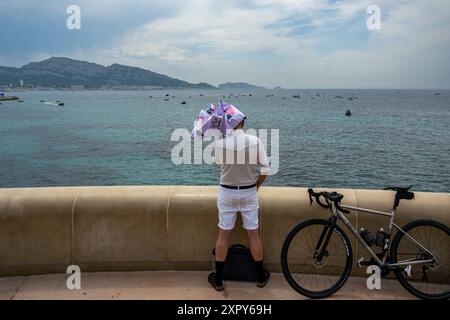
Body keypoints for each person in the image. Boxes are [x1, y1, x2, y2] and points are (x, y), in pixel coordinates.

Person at [208, 116, 270, 291]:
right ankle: (259, 277)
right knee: (253, 235)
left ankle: (218, 279)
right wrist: (255, 186)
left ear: (228, 124)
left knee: (223, 235)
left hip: (226, 192)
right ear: (243, 123)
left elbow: (219, 164)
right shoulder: (255, 140)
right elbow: (265, 170)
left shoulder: (220, 142)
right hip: (249, 191)